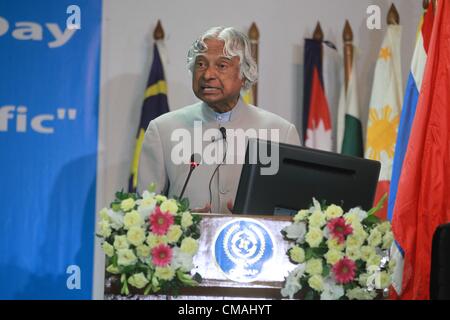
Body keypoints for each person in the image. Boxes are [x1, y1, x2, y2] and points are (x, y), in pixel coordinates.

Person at [138, 26, 300, 213]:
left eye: (222, 65)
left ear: (244, 73)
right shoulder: (163, 130)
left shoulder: (280, 132)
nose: (207, 74)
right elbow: (145, 213)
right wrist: (184, 225)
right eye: (200, 64)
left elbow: (293, 213)